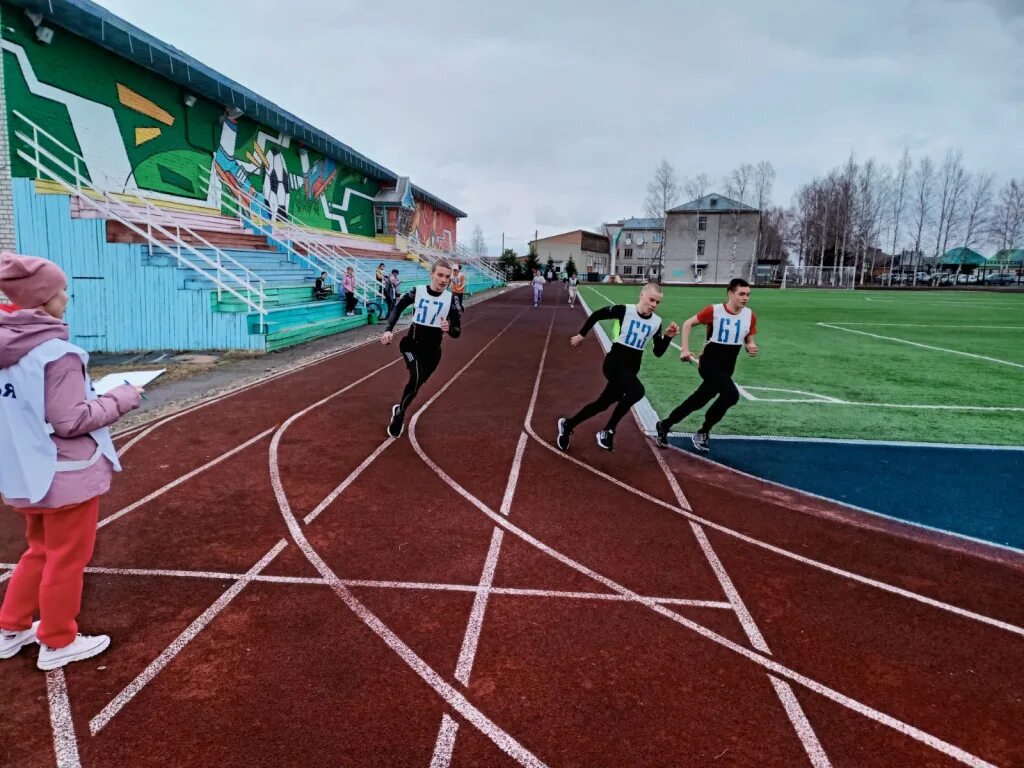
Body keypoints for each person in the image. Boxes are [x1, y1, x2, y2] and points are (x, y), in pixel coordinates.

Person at [0, 253, 142, 670]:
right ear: (42, 300)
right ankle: (58, 640)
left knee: (39, 550)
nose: (66, 296)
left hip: (23, 467)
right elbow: (71, 420)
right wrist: (123, 397)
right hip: (66, 471)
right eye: (60, 290)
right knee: (66, 558)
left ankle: (11, 626)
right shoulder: (57, 353)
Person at [556, 282, 679, 452]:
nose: (653, 305)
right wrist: (581, 335)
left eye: (657, 303)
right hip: (614, 362)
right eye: (651, 300)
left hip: (631, 368)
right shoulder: (625, 310)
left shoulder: (656, 322)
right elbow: (597, 315)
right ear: (641, 295)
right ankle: (608, 430)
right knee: (637, 391)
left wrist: (668, 337)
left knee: (602, 404)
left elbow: (658, 352)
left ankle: (568, 425)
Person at [655, 278, 757, 452]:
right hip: (709, 364)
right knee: (732, 395)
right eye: (741, 294)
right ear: (730, 293)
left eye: (748, 294)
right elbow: (688, 324)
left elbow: (749, 339)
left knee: (699, 399)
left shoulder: (749, 315)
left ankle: (665, 425)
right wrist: (684, 349)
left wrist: (750, 346)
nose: (745, 298)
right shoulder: (714, 311)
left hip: (727, 367)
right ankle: (704, 431)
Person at [380, 259, 461, 438]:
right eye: (439, 275)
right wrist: (388, 330)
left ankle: (399, 408)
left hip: (433, 353)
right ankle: (400, 417)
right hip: (411, 345)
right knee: (415, 376)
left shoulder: (451, 299)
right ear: (431, 274)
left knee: (414, 386)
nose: (443, 280)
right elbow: (398, 307)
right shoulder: (418, 292)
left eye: (447, 277)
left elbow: (457, 331)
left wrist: (450, 329)